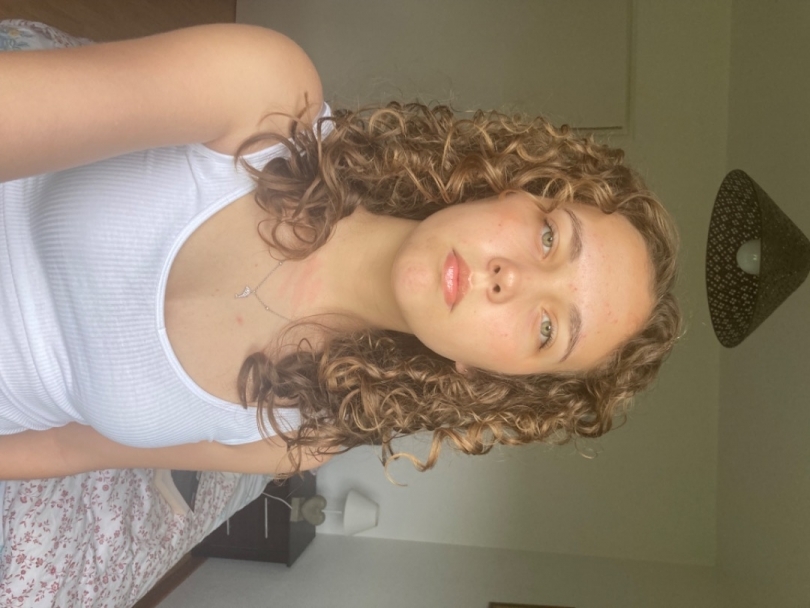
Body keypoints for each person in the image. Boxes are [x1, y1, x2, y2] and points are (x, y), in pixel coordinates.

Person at [0, 23, 680, 482]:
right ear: (511, 187)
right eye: (551, 238)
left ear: (489, 377)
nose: (513, 279)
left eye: (547, 328)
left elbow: (66, 446)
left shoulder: (301, 439)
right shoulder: (264, 96)